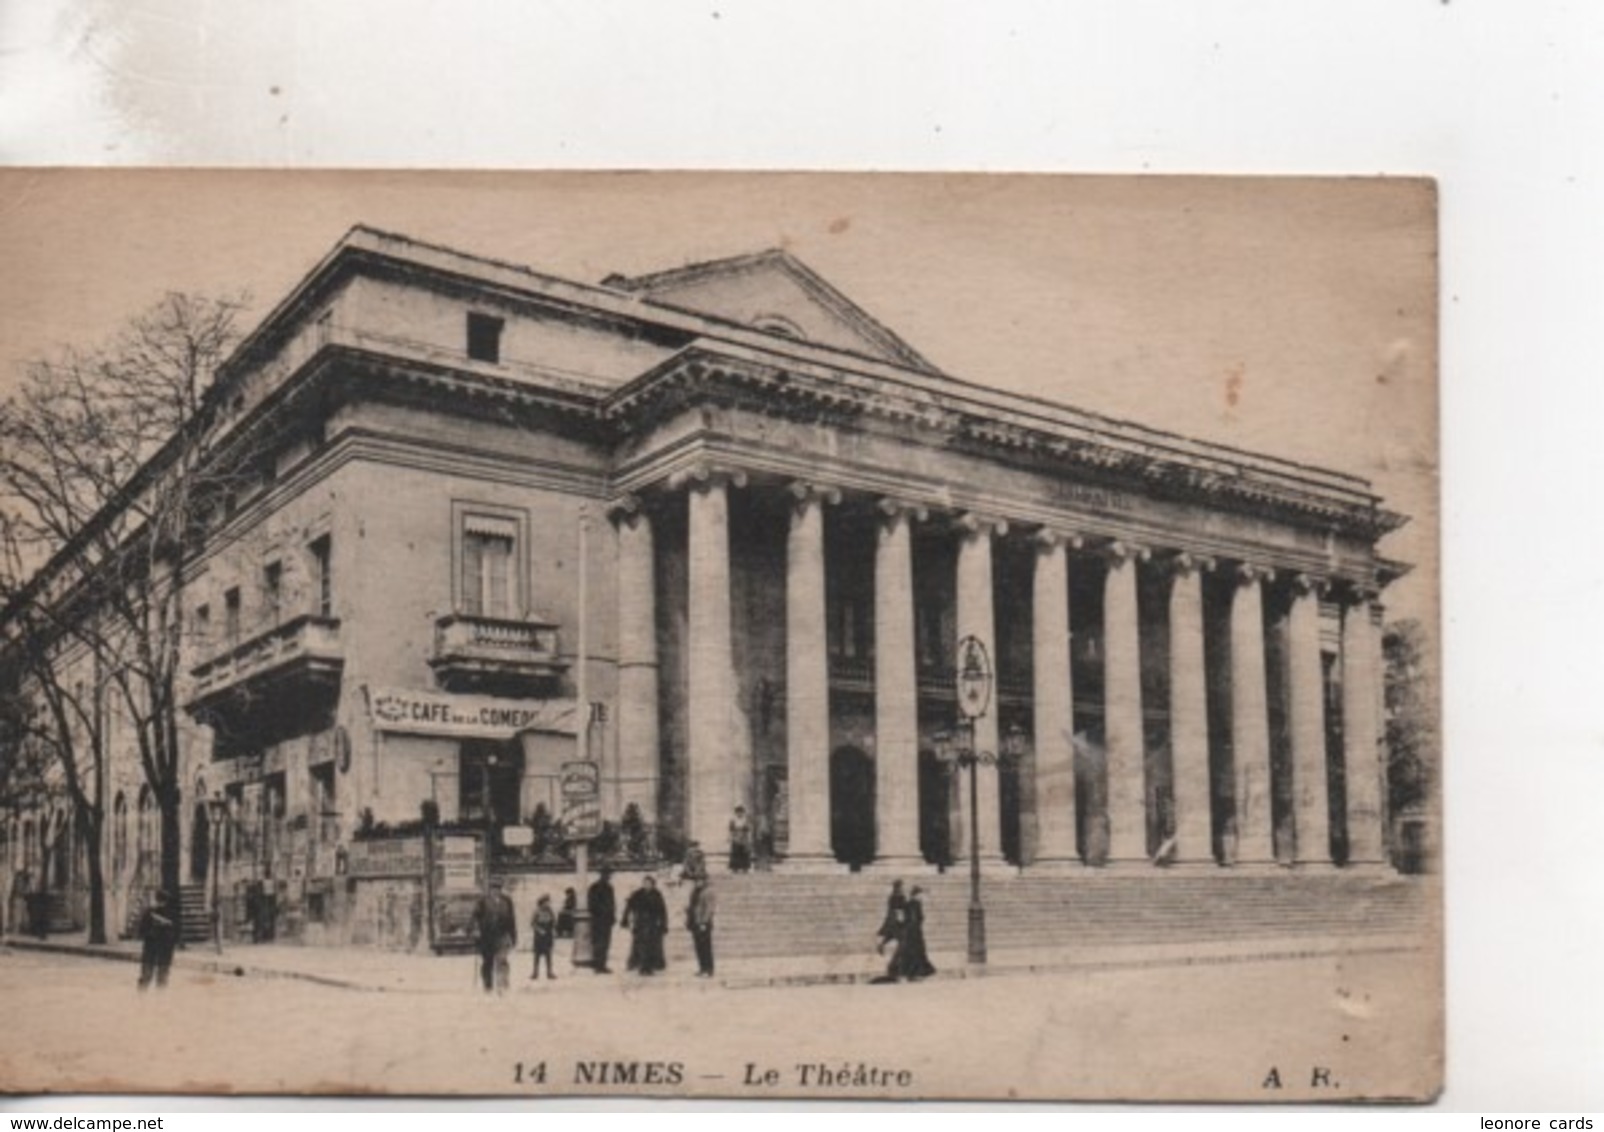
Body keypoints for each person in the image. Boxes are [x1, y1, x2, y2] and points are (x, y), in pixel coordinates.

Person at [471, 878, 517, 994]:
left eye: (498, 889)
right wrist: (476, 929)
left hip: (502, 934)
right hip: (487, 936)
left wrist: (513, 935)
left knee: (502, 959)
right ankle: (488, 985)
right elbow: (475, 917)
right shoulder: (482, 901)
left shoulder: (507, 901)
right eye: (493, 889)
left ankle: (501, 984)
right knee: (488, 961)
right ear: (489, 890)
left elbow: (511, 919)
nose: (496, 891)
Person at [621, 874, 668, 975]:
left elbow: (662, 910)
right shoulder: (638, 894)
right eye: (645, 883)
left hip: (652, 924)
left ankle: (649, 966)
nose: (647, 885)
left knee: (651, 946)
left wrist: (664, 924)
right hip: (640, 923)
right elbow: (629, 906)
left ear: (653, 884)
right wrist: (624, 920)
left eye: (649, 883)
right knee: (641, 946)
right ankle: (643, 967)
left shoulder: (657, 894)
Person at [891, 884, 936, 981]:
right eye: (921, 895)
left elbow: (903, 918)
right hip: (914, 932)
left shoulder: (910, 903)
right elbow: (914, 919)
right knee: (915, 952)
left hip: (911, 931)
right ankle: (914, 973)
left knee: (912, 953)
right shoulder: (915, 904)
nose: (922, 897)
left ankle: (910, 972)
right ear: (917, 894)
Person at [136, 889, 179, 991]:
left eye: (163, 901)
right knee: (151, 974)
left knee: (159, 975)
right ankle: (146, 996)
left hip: (160, 947)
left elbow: (141, 931)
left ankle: (149, 998)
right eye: (160, 901)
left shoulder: (167, 913)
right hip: (156, 946)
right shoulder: (153, 913)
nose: (161, 904)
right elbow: (142, 931)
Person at [587, 866, 616, 974]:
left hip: (607, 920)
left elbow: (612, 904)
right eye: (606, 874)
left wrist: (612, 916)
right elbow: (592, 904)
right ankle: (597, 965)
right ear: (602, 875)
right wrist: (602, 912)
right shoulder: (594, 887)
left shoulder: (609, 888)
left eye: (609, 875)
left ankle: (602, 965)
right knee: (598, 942)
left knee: (605, 943)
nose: (608, 877)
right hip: (598, 919)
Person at [687, 877, 717, 978]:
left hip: (703, 923)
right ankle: (702, 968)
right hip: (694, 922)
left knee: (706, 947)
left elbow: (710, 908)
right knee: (698, 947)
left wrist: (704, 922)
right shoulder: (694, 891)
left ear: (704, 881)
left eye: (700, 880)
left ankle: (708, 969)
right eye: (696, 881)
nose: (697, 882)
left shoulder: (708, 892)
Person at [876, 879, 907, 963]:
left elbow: (891, 908)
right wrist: (902, 917)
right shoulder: (899, 896)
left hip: (891, 918)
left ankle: (881, 945)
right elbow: (899, 909)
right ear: (899, 887)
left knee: (891, 935)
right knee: (901, 938)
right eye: (902, 886)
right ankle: (898, 957)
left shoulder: (892, 896)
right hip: (897, 919)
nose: (903, 887)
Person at [530, 895, 557, 980]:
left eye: (548, 902)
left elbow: (554, 921)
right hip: (539, 936)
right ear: (542, 903)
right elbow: (533, 923)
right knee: (537, 955)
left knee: (548, 954)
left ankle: (549, 972)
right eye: (546, 902)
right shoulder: (537, 911)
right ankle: (535, 973)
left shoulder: (550, 911)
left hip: (548, 935)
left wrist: (553, 929)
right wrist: (539, 930)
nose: (548, 904)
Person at [728, 806, 754, 873]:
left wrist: (749, 838)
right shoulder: (733, 820)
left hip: (744, 838)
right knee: (736, 853)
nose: (739, 814)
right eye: (738, 812)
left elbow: (748, 829)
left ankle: (745, 867)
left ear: (743, 813)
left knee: (744, 853)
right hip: (736, 837)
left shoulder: (745, 820)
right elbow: (731, 830)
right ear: (736, 813)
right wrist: (731, 837)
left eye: (741, 812)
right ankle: (735, 867)